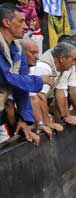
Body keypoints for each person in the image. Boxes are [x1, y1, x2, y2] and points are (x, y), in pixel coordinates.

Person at [0, 3, 49, 144]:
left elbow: (21, 87)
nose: (26, 26)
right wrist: (38, 81)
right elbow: (6, 78)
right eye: (21, 21)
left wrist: (23, 119)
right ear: (6, 22)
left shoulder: (18, 49)